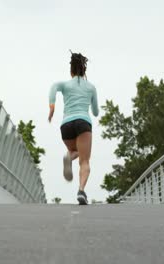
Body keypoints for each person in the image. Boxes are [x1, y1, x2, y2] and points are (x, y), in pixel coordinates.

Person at [48, 51, 99, 205]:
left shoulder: (65, 85)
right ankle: (81, 191)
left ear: (71, 70)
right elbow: (96, 112)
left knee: (74, 151)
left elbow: (53, 87)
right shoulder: (91, 87)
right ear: (84, 71)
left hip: (66, 124)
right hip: (83, 122)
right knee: (85, 161)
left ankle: (68, 157)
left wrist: (52, 107)